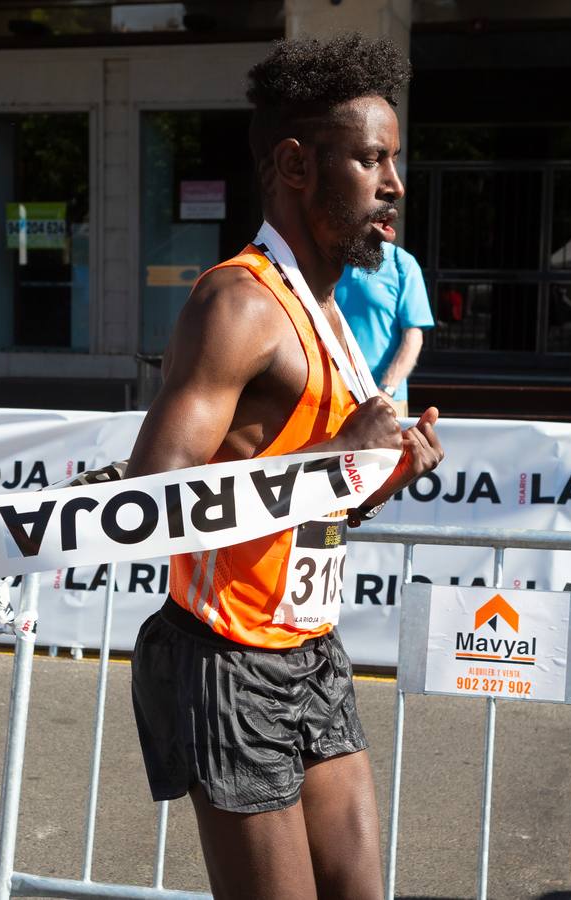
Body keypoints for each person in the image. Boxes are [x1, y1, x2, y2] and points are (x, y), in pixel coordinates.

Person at [124, 35, 444, 899]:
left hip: (311, 650)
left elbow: (308, 501)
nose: (394, 186)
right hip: (226, 660)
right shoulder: (239, 304)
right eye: (372, 160)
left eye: (395, 160)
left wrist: (374, 479)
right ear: (298, 165)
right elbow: (153, 496)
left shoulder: (330, 311)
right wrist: (337, 454)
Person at [334, 238, 434, 416]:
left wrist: (386, 390)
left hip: (385, 398)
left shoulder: (401, 263)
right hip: (334, 395)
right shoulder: (330, 260)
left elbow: (413, 336)